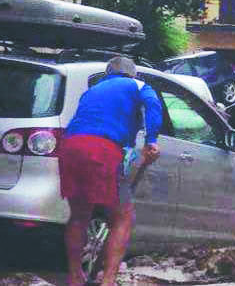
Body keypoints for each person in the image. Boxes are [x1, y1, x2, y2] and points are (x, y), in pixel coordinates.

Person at [59, 57, 163, 286]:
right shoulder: (136, 85)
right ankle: (108, 281)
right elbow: (153, 106)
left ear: (108, 73)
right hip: (103, 148)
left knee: (79, 216)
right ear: (132, 74)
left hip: (70, 146)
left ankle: (75, 277)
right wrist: (152, 140)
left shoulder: (93, 90)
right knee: (122, 217)